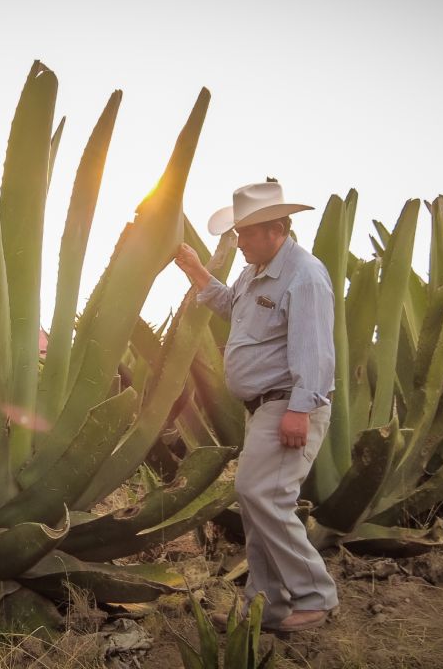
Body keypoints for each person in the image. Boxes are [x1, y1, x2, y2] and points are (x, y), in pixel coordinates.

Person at [174, 180, 338, 634]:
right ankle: (266, 607)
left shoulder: (305, 275)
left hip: (288, 404)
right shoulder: (255, 271)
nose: (238, 243)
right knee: (256, 502)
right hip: (264, 408)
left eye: (244, 234)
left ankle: (315, 596)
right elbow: (233, 306)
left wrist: (300, 410)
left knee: (262, 495)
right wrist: (195, 270)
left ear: (276, 229)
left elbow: (315, 350)